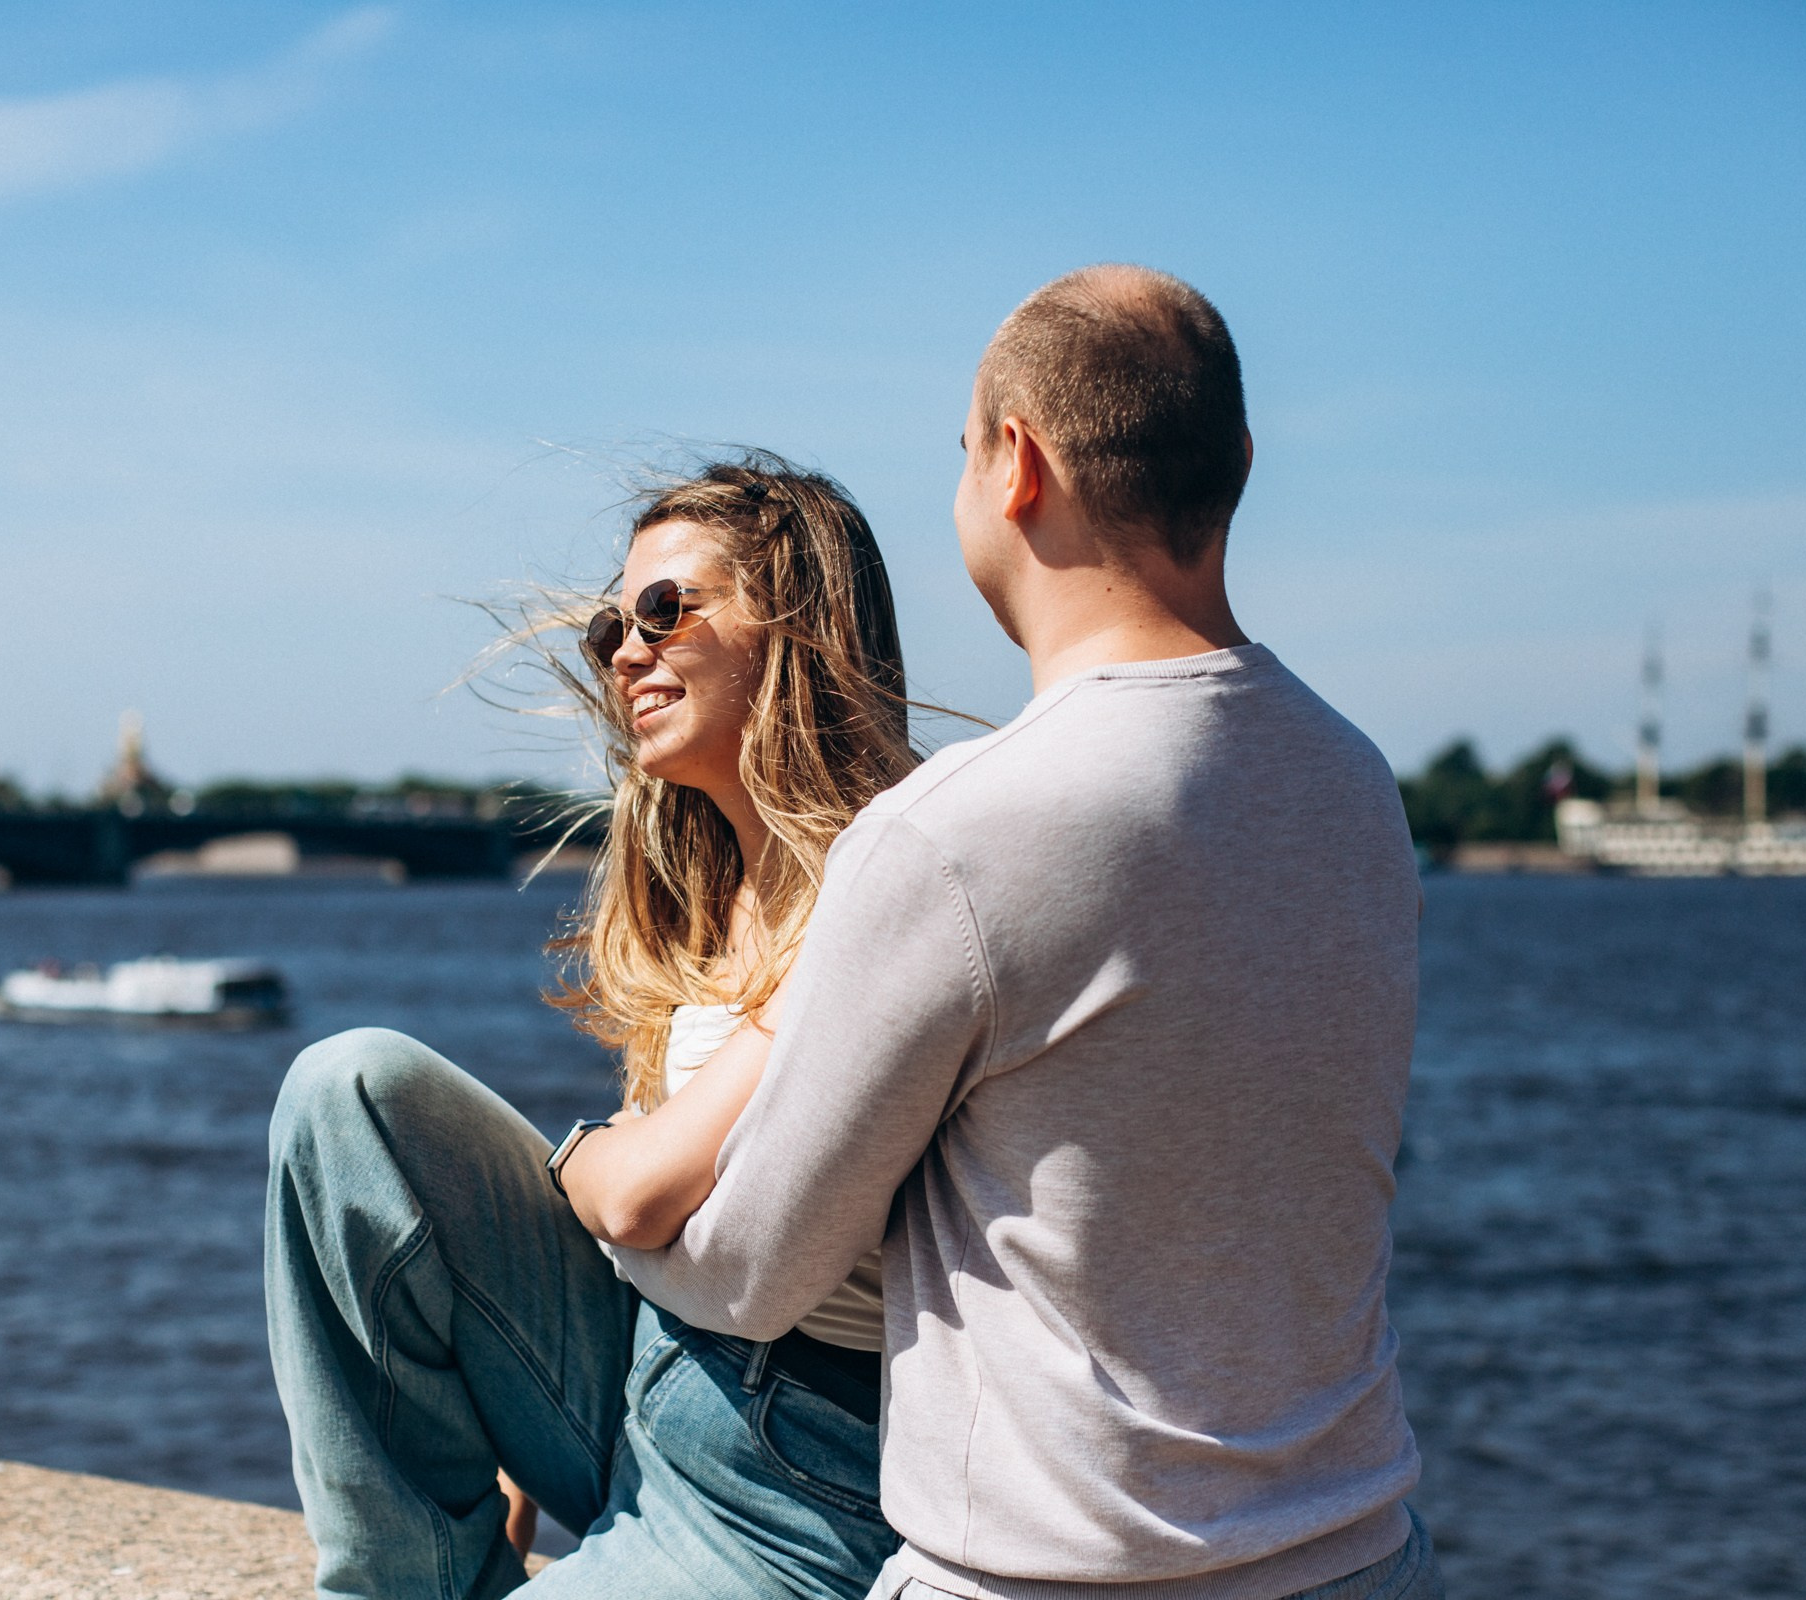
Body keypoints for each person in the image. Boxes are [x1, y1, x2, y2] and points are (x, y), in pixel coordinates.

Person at [611, 266, 1444, 1600]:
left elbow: (754, 1274)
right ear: (1234, 462)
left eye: (961, 454)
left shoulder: (958, 830)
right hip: (1361, 1556)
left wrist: (597, 1180)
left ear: (1016, 466)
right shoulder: (1356, 787)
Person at [264, 453, 918, 1600]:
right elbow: (635, 1184)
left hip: (796, 1485)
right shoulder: (704, 888)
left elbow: (629, 1193)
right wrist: (508, 1456)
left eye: (665, 610)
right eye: (612, 624)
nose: (627, 649)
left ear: (796, 626)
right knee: (348, 1090)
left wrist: (579, 1156)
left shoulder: (888, 874)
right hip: (642, 1383)